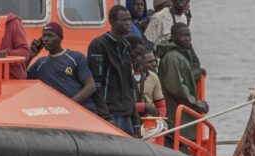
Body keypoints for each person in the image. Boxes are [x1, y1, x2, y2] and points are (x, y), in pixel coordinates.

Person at [88, 6, 139, 137]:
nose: (128, 23)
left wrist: (136, 121)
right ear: (112, 21)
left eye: (129, 19)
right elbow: (96, 83)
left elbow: (129, 84)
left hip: (126, 113)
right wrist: (105, 115)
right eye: (123, 20)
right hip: (110, 113)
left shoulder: (126, 46)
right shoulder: (98, 45)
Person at [27, 22, 97, 113]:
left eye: (50, 36)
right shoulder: (40, 63)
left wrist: (69, 106)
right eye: (44, 36)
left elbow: (91, 86)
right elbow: (21, 79)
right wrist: (30, 56)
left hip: (84, 111)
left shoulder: (76, 57)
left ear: (60, 38)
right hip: (58, 114)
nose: (46, 39)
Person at [157, 23, 207, 151]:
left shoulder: (181, 55)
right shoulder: (173, 57)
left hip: (182, 115)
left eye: (188, 35)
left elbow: (185, 76)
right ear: (173, 37)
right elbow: (176, 87)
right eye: (182, 35)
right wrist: (197, 104)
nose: (187, 39)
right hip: (175, 113)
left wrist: (197, 72)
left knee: (185, 145)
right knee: (180, 146)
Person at [135, 50, 165, 118]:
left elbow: (161, 106)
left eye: (154, 60)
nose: (154, 64)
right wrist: (144, 107)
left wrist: (159, 120)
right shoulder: (125, 76)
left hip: (150, 121)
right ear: (139, 61)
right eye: (150, 62)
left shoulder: (153, 76)